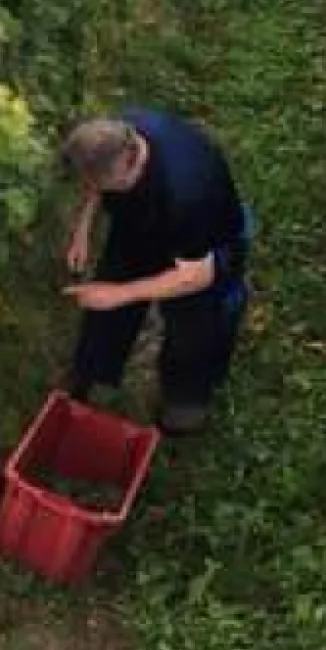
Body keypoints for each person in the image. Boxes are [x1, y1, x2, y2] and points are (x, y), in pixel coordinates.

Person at [58, 110, 254, 435]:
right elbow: (94, 184)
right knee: (108, 299)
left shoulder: (189, 194)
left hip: (207, 254)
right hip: (142, 223)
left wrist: (120, 294)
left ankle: (185, 402)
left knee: (194, 325)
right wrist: (83, 228)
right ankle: (90, 374)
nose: (94, 190)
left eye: (103, 185)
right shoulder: (118, 130)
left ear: (126, 168)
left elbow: (196, 276)